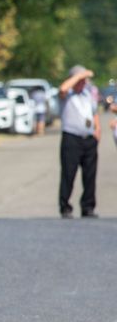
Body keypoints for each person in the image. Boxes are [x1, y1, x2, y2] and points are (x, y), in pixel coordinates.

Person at [58, 65, 102, 218]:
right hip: (72, 138)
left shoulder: (87, 94)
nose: (84, 82)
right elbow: (62, 89)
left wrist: (97, 130)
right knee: (68, 174)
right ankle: (65, 206)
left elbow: (94, 112)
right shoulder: (67, 94)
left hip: (88, 139)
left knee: (90, 175)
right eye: (81, 79)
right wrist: (78, 75)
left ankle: (88, 206)